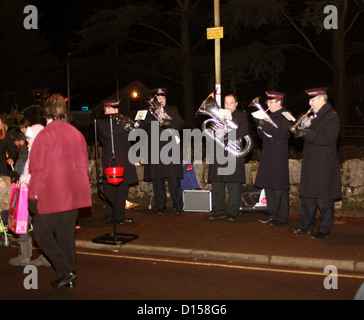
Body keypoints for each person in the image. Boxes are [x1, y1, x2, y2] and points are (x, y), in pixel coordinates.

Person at [28, 94, 92, 289]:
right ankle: (68, 278)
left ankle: (66, 271)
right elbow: (83, 164)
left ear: (45, 112)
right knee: (66, 237)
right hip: (74, 194)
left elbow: (38, 170)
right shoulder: (76, 133)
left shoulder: (45, 136)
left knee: (40, 233)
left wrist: (33, 196)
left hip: (52, 194)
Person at [289, 88, 341, 239]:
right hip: (311, 163)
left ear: (321, 100)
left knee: (324, 199)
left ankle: (324, 230)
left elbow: (327, 139)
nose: (309, 103)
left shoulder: (331, 116)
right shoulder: (315, 116)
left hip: (323, 165)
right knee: (307, 197)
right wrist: (301, 127)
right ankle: (305, 226)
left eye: (312, 100)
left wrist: (306, 133)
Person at [8, 124, 50, 268]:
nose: (27, 140)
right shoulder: (34, 151)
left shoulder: (40, 153)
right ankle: (28, 256)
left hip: (37, 195)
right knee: (25, 222)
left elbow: (36, 176)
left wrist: (20, 177)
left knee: (38, 226)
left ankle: (42, 256)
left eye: (29, 137)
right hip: (31, 193)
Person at [140, 88, 185, 214]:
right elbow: (142, 127)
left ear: (166, 99)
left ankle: (178, 205)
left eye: (162, 98)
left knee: (173, 179)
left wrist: (166, 119)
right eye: (158, 98)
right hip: (154, 148)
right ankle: (161, 205)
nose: (160, 100)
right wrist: (152, 113)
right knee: (157, 179)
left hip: (170, 149)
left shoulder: (172, 110)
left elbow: (181, 123)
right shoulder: (149, 113)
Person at [208, 93, 250, 221]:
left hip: (233, 153)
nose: (229, 105)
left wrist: (226, 131)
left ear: (236, 103)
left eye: (231, 103)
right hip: (218, 152)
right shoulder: (218, 115)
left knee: (234, 184)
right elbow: (210, 129)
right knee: (217, 183)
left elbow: (244, 129)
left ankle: (233, 212)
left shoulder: (241, 115)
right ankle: (219, 211)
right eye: (226, 103)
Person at [96, 99, 138, 224]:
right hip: (112, 160)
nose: (117, 111)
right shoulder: (100, 122)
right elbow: (108, 134)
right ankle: (110, 217)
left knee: (123, 189)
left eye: (117, 108)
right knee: (110, 189)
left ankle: (120, 216)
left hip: (125, 158)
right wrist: (124, 125)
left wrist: (134, 128)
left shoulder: (120, 121)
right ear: (107, 109)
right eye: (115, 108)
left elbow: (133, 137)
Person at [254, 91, 292, 226]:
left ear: (279, 102)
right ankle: (273, 214)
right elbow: (262, 135)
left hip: (278, 156)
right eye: (268, 102)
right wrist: (259, 124)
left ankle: (282, 217)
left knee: (279, 188)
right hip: (268, 154)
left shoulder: (285, 117)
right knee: (269, 186)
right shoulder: (270, 116)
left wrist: (266, 124)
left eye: (271, 102)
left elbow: (281, 134)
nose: (268, 104)